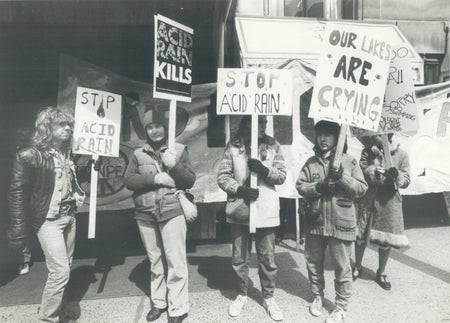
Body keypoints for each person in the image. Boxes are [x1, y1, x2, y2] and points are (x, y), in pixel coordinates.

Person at [8, 107, 88, 323]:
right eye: (61, 125)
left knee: (65, 267)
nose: (68, 128)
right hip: (48, 220)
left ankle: (60, 309)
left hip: (69, 217)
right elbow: (17, 193)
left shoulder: (67, 153)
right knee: (60, 271)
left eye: (69, 125)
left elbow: (68, 183)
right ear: (47, 128)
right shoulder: (28, 155)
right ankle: (47, 318)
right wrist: (18, 228)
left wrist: (88, 168)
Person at [124, 109, 196, 323]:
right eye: (150, 127)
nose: (154, 130)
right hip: (145, 214)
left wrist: (173, 165)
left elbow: (189, 181)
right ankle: (159, 303)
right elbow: (128, 181)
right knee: (155, 261)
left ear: (166, 127)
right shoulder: (138, 154)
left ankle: (178, 308)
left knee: (176, 261)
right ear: (146, 130)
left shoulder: (179, 150)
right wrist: (156, 179)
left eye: (158, 126)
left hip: (172, 211)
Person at [296, 120, 367, 323]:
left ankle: (341, 306)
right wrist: (318, 187)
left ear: (338, 137)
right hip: (316, 221)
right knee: (313, 262)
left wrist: (342, 177)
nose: (323, 139)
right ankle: (318, 296)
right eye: (320, 134)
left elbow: (362, 189)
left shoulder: (349, 162)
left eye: (328, 134)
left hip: (341, 222)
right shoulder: (311, 162)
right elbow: (300, 185)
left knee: (342, 266)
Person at [217, 115, 286, 321]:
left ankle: (269, 296)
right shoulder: (234, 146)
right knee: (239, 257)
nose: (263, 125)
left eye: (265, 122)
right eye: (259, 122)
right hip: (240, 209)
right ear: (248, 122)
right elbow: (222, 176)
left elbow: (282, 175)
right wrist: (239, 189)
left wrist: (265, 170)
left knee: (267, 257)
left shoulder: (273, 146)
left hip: (266, 209)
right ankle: (242, 293)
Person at [353, 134, 410, 290]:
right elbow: (361, 169)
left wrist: (396, 175)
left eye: (382, 132)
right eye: (376, 132)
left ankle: (382, 272)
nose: (379, 135)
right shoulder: (367, 152)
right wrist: (373, 171)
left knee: (386, 239)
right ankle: (357, 266)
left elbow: (406, 179)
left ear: (390, 134)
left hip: (389, 202)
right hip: (369, 198)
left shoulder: (402, 154)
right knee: (361, 235)